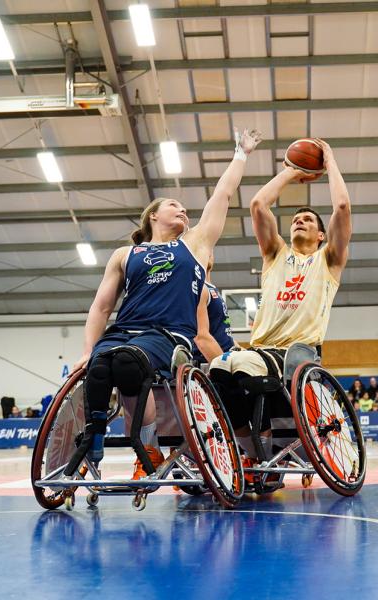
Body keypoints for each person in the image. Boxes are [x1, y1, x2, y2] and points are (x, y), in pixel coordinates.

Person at [68, 128, 262, 479]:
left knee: (127, 363)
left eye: (185, 208)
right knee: (98, 366)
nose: (183, 209)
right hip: (125, 330)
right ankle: (92, 442)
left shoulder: (195, 244)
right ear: (153, 216)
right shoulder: (125, 254)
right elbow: (100, 308)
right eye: (174, 205)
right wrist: (87, 349)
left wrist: (241, 153)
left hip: (168, 334)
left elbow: (223, 194)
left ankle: (148, 449)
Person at [209, 139, 352, 471]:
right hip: (261, 349)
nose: (299, 220)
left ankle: (266, 447)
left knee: (241, 367)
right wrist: (291, 171)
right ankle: (255, 452)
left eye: (308, 219)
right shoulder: (275, 255)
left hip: (298, 353)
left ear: (321, 235)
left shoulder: (328, 260)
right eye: (296, 219)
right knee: (217, 371)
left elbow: (342, 207)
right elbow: (259, 204)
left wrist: (329, 161)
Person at [193, 254, 238, 363]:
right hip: (210, 364)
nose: (209, 253)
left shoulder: (212, 289)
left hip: (226, 357)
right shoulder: (199, 288)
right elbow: (201, 338)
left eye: (211, 250)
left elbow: (224, 333)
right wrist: (224, 366)